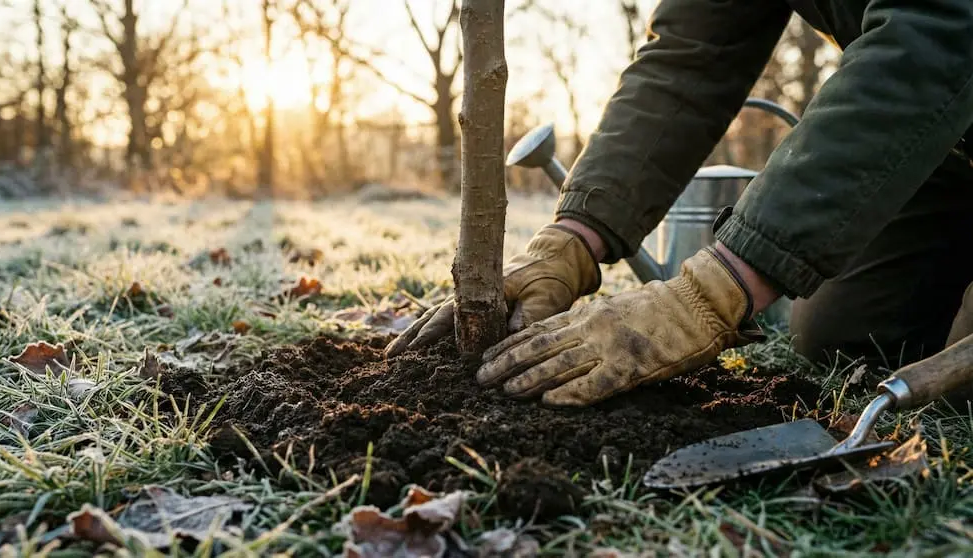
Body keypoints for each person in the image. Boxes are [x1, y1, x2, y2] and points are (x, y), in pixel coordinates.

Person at [386, 0, 973, 407]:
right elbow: (690, 54)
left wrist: (719, 289)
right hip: (948, 139)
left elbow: (941, 29)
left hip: (945, 73)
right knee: (842, 343)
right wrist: (571, 240)